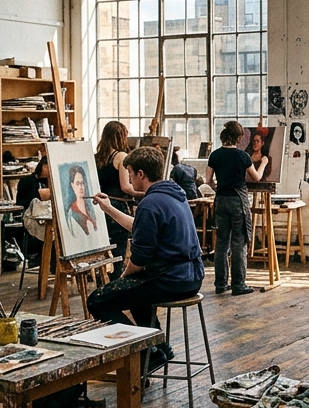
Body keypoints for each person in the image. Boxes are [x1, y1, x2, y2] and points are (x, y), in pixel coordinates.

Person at [88, 146, 204, 373]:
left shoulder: (150, 204)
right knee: (136, 294)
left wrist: (121, 279)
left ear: (141, 174)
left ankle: (145, 352)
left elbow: (140, 258)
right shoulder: (173, 194)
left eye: (130, 172)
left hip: (173, 279)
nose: (129, 178)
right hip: (190, 275)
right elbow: (141, 228)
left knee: (98, 300)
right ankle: (159, 347)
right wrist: (108, 209)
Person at [206, 121, 265, 295]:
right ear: (238, 137)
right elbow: (256, 178)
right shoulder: (242, 156)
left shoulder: (215, 155)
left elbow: (208, 180)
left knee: (222, 243)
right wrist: (264, 163)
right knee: (239, 242)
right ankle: (238, 285)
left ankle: (220, 284)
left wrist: (218, 188)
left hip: (221, 200)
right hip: (238, 200)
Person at [95, 121, 133, 278]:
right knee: (118, 251)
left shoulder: (97, 157)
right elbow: (125, 187)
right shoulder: (121, 156)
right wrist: (144, 191)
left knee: (104, 250)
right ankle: (115, 284)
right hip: (116, 206)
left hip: (100, 205)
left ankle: (103, 282)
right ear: (120, 136)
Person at [62, 165, 100, 238]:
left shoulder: (91, 207)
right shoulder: (71, 213)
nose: (81, 187)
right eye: (78, 183)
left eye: (82, 183)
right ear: (72, 186)